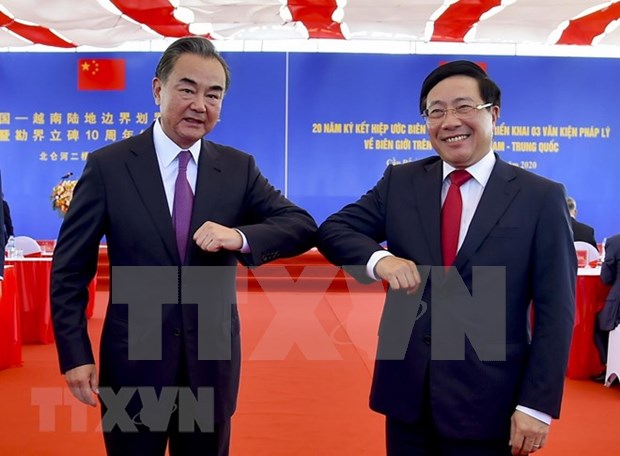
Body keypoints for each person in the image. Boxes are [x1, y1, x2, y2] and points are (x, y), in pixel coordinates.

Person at [51, 36, 317, 456]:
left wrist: (240, 237)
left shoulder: (236, 168)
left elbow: (300, 225)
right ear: (158, 90)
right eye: (187, 89)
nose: (200, 104)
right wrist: (74, 353)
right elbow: (69, 269)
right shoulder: (108, 167)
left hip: (209, 365)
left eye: (214, 94)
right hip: (133, 363)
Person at [317, 61, 576, 456]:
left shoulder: (539, 197)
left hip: (492, 401)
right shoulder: (401, 182)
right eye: (436, 111)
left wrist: (536, 405)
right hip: (408, 395)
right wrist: (378, 261)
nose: (449, 120)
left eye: (463, 107)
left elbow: (556, 311)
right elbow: (334, 230)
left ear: (493, 113)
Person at [593, 234, 620, 380]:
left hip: (617, 306)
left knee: (599, 327)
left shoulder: (614, 242)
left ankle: (610, 366)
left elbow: (606, 278)